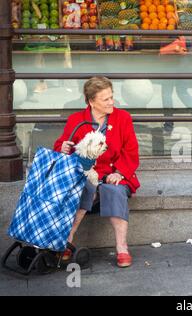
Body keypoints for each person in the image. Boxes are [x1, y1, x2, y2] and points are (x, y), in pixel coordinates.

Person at [54, 76, 140, 268]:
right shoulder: (76, 119)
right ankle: (65, 241)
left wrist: (120, 172)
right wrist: (64, 147)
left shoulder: (123, 118)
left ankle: (122, 247)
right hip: (86, 175)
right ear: (91, 101)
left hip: (113, 174)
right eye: (105, 99)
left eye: (112, 97)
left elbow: (131, 150)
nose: (112, 102)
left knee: (115, 190)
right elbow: (61, 144)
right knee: (86, 188)